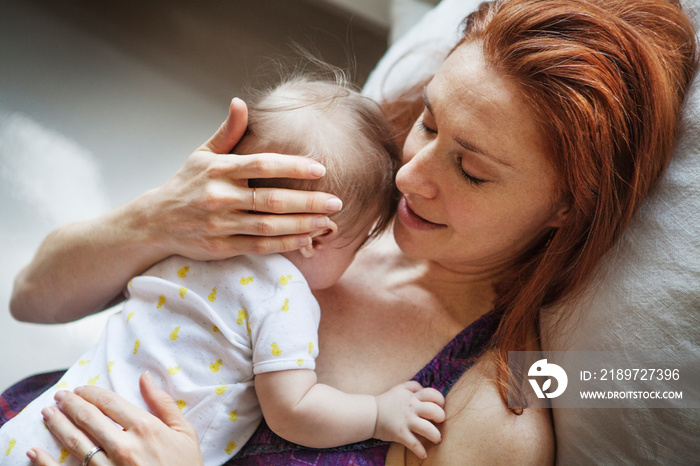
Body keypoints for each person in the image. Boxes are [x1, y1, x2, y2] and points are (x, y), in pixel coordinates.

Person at [5, 0, 697, 464]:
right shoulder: (326, 178)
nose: (408, 175)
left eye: (473, 171)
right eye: (429, 121)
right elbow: (31, 297)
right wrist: (159, 214)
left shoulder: (498, 397)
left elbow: (660, 384)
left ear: (568, 207)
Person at [0, 77, 450, 465]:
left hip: (32, 430)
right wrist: (377, 413)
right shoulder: (283, 292)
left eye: (470, 170)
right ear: (316, 237)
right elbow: (293, 409)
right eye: (427, 125)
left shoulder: (188, 244)